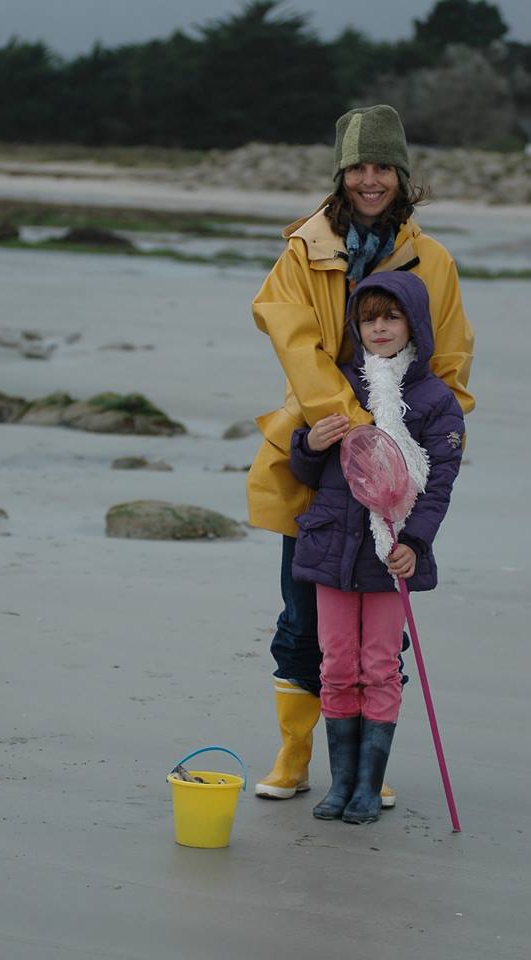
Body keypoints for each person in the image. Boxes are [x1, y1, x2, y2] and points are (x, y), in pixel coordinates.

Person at [249, 104, 475, 802]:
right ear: (340, 173)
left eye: (382, 166)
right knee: (301, 621)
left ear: (400, 173)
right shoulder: (301, 252)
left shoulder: (431, 261)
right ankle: (293, 759)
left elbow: (452, 363)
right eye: (357, 166)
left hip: (395, 476)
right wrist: (349, 432)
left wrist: (410, 446)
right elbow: (295, 344)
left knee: (382, 633)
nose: (369, 179)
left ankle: (364, 775)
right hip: (317, 457)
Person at [289, 271, 464, 822]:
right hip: (332, 548)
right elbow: (305, 468)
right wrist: (309, 443)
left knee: (380, 665)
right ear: (355, 327)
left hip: (392, 553)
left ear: (413, 323)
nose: (380, 328)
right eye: (369, 319)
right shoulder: (337, 384)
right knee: (336, 663)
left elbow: (439, 482)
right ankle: (340, 784)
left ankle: (369, 784)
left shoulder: (434, 399)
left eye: (391, 317)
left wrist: (415, 541)